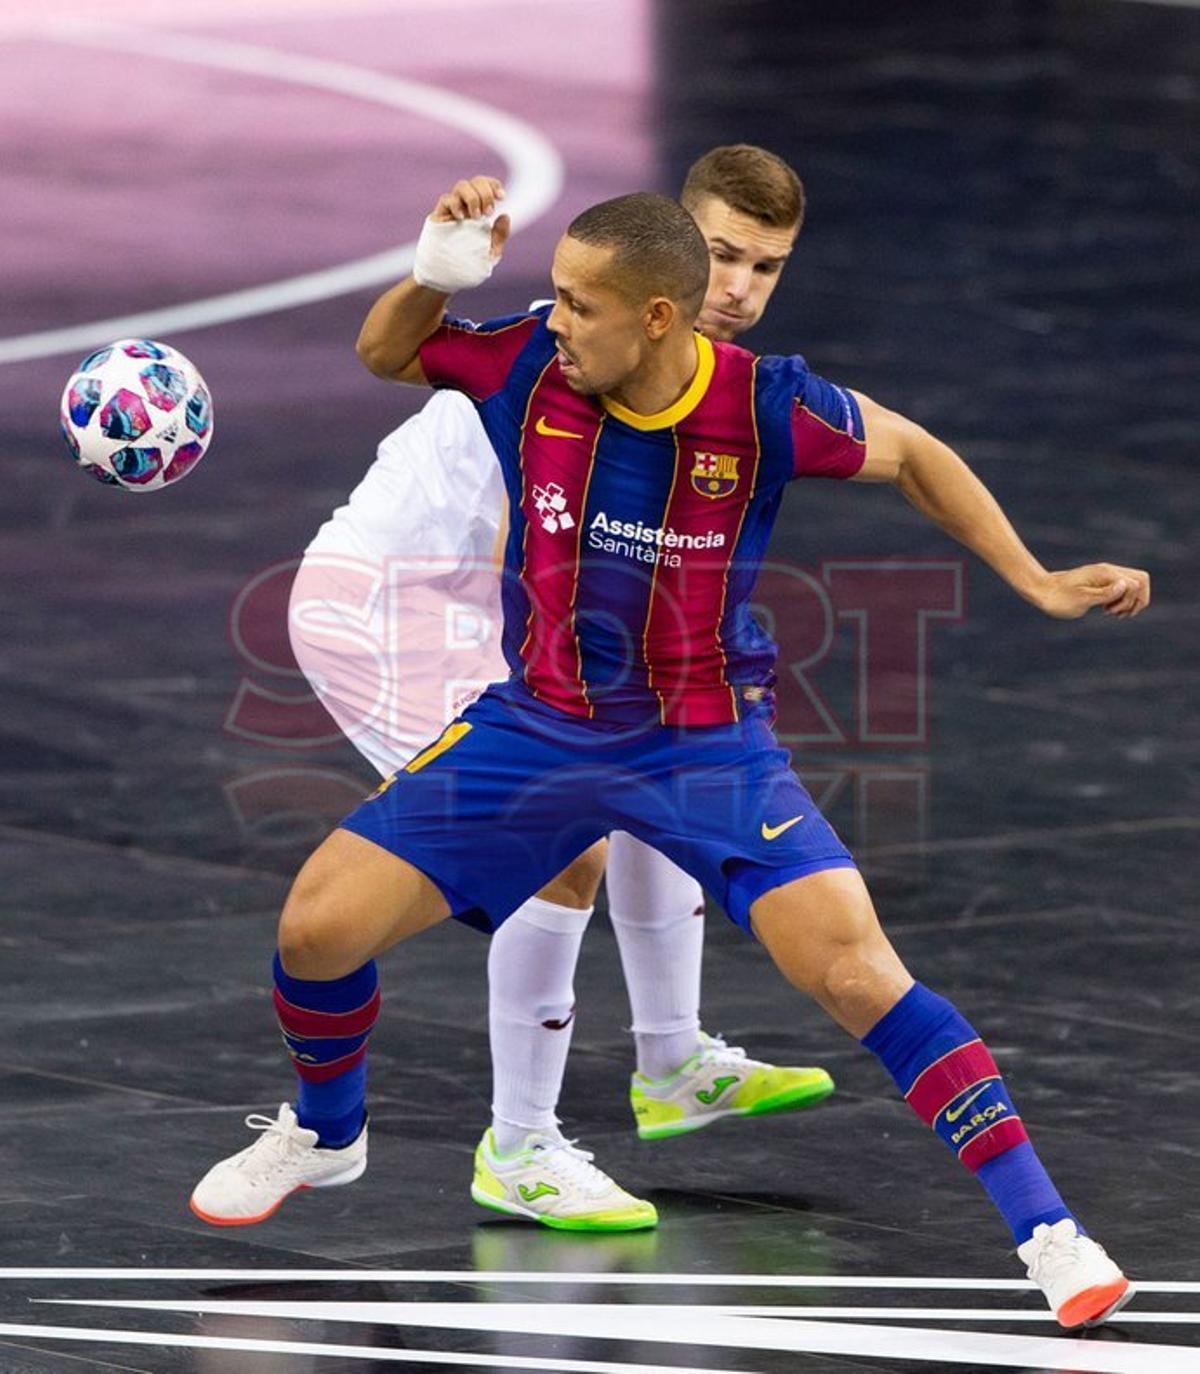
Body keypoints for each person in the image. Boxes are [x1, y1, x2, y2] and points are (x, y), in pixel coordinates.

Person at [193, 177, 1148, 1329]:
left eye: (578, 304)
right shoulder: (529, 368)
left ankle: (1051, 1234)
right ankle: (327, 1132)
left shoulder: (769, 407)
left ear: (657, 317)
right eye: (551, 298)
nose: (553, 320)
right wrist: (438, 273)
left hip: (706, 748)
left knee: (854, 971)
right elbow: (388, 350)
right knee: (315, 926)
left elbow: (920, 457)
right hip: (538, 731)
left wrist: (1036, 579)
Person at [287, 146, 834, 1233]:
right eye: (718, 256)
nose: (735, 288)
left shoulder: (687, 375)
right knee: (566, 836)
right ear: (664, 259)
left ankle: (671, 1063)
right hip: (384, 605)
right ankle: (521, 1149)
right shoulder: (574, 354)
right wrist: (435, 269)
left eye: (761, 268)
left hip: (475, 608)